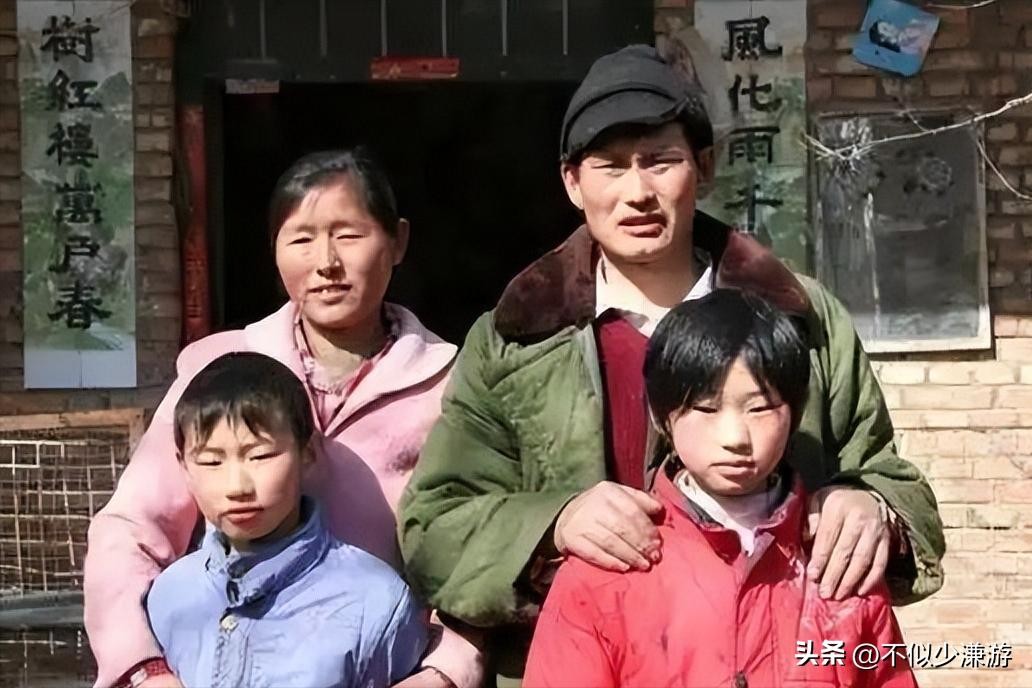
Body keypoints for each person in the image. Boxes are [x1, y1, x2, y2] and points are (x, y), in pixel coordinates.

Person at [398, 45, 944, 683]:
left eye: (661, 161)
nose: (637, 192)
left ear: (703, 167)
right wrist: (553, 523)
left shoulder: (800, 318)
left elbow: (890, 476)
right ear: (572, 182)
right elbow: (432, 528)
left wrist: (872, 506)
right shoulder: (515, 338)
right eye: (610, 167)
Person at [85, 149, 482, 688]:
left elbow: (483, 559)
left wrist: (444, 671)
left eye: (348, 235)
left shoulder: (450, 386)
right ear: (274, 250)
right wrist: (144, 667)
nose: (326, 262)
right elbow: (132, 528)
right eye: (301, 239)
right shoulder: (219, 372)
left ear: (398, 242)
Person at [523, 290, 918, 688]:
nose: (735, 438)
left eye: (760, 408)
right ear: (663, 418)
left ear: (795, 414)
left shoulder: (840, 561)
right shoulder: (603, 570)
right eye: (706, 409)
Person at [147, 351, 428, 688]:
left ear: (307, 452)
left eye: (260, 456)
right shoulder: (170, 594)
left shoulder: (377, 604)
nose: (237, 487)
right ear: (183, 466)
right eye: (211, 462)